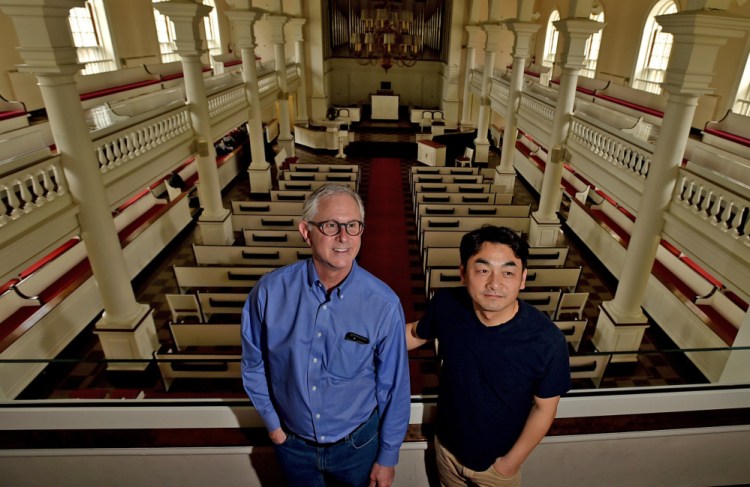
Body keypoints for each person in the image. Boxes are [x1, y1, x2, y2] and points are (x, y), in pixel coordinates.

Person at [241, 184, 411, 487]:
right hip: (292, 444)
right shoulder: (268, 292)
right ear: (306, 231)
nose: (344, 237)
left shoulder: (383, 304)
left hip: (357, 446)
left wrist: (387, 456)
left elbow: (393, 387)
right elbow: (253, 365)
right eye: (331, 225)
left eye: (353, 226)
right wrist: (273, 426)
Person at [406, 226, 570, 486]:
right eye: (483, 270)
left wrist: (509, 464)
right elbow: (415, 333)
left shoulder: (547, 340)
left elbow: (545, 408)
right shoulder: (448, 304)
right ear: (463, 273)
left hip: (497, 466)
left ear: (523, 278)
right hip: (447, 450)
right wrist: (360, 346)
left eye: (508, 272)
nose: (494, 283)